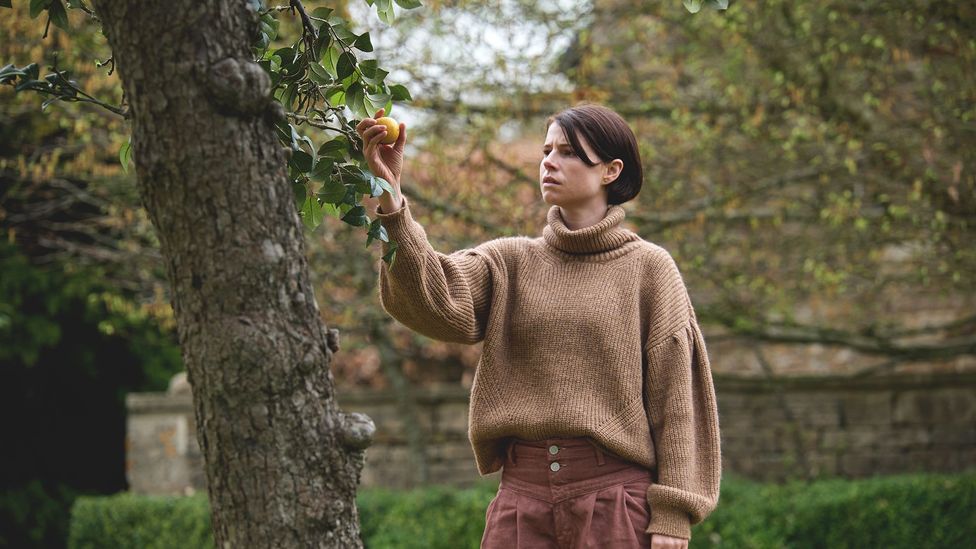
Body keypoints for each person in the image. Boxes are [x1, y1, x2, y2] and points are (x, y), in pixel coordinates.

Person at [356, 103, 721, 549]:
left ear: (610, 170)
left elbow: (679, 402)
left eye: (567, 152)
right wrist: (392, 200)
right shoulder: (509, 261)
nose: (548, 161)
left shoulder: (650, 269)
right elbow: (431, 299)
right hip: (520, 506)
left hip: (617, 506)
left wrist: (673, 516)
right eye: (546, 150)